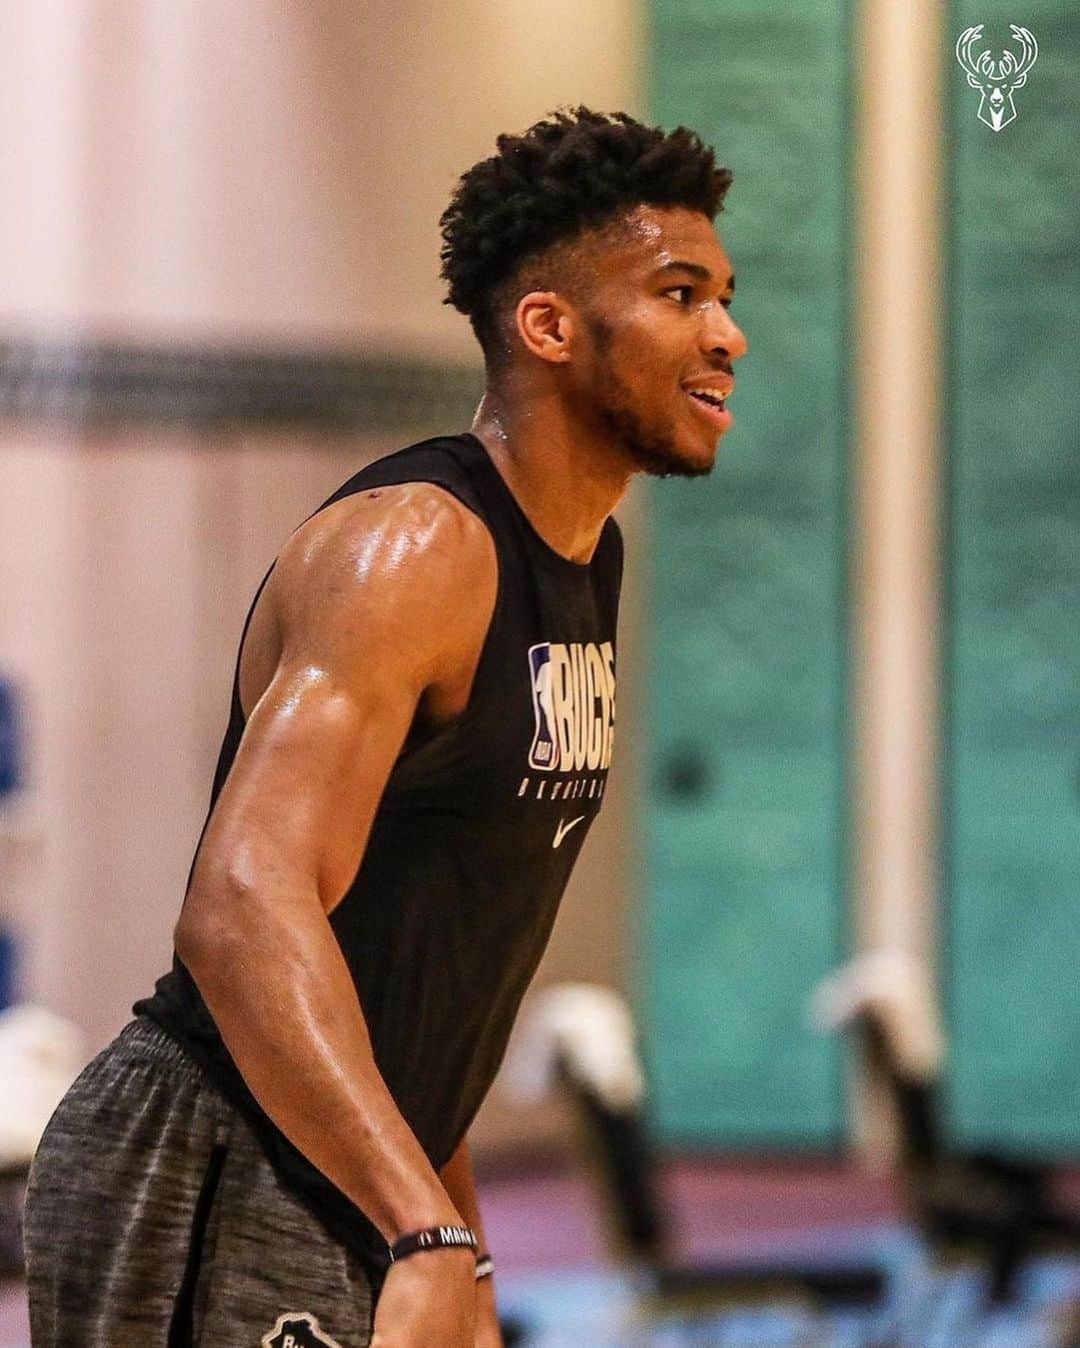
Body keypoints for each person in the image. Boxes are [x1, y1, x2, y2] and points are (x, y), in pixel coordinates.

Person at [24, 106, 746, 1348]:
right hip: (219, 1146)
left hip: (354, 1150)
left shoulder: (587, 561)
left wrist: (457, 1243)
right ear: (550, 327)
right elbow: (242, 903)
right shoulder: (412, 549)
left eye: (726, 297)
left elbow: (423, 972)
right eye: (681, 295)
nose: (728, 335)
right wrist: (425, 1223)